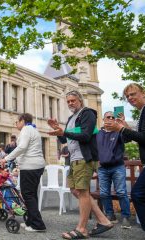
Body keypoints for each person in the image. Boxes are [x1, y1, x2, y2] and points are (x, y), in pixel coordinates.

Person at [47, 90, 113, 239]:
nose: (70, 103)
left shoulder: (87, 113)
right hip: (73, 159)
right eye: (68, 101)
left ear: (80, 101)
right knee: (74, 190)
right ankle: (103, 220)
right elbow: (65, 140)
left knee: (82, 191)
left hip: (84, 157)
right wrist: (57, 130)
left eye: (73, 100)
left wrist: (63, 131)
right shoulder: (71, 118)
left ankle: (82, 229)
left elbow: (85, 135)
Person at [106, 83, 145, 240]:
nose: (130, 98)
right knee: (138, 193)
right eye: (127, 96)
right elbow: (130, 139)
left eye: (133, 94)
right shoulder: (143, 112)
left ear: (144, 92)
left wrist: (121, 129)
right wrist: (124, 127)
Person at [0, 113, 46, 232]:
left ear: (22, 121)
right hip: (37, 165)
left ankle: (38, 224)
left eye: (17, 122)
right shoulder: (33, 130)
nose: (16, 124)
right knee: (31, 194)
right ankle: (31, 221)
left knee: (28, 194)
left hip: (30, 166)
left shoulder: (26, 129)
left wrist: (6, 158)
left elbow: (22, 147)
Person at [96, 111, 131, 228]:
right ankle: (110, 215)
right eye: (108, 117)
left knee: (121, 192)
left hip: (117, 167)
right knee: (104, 193)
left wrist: (123, 124)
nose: (110, 118)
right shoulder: (98, 133)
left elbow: (129, 137)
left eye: (112, 117)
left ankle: (126, 217)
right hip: (102, 168)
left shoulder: (118, 132)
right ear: (103, 119)